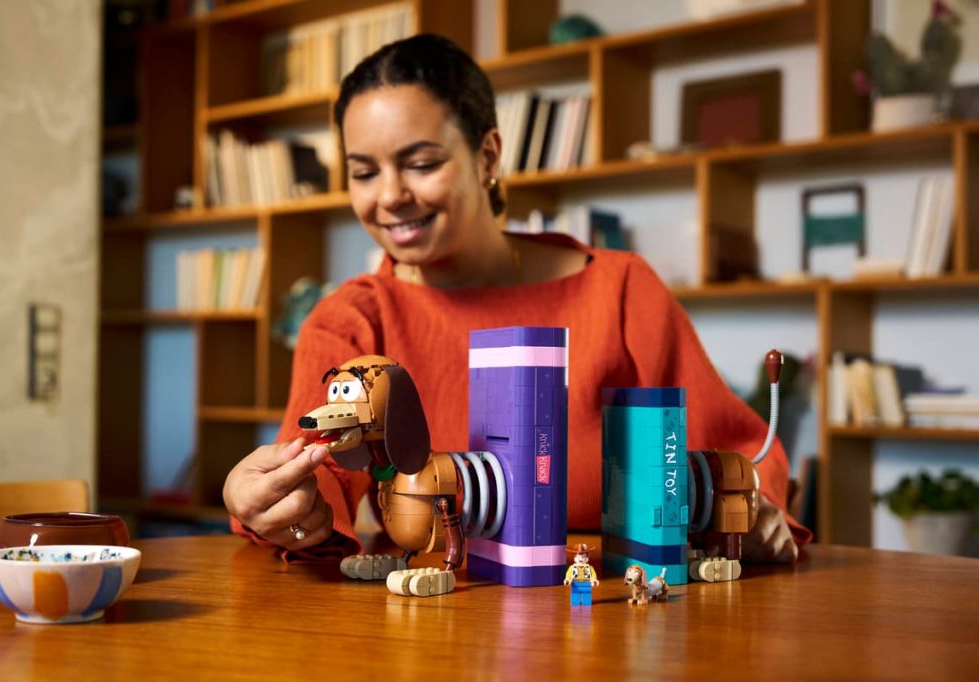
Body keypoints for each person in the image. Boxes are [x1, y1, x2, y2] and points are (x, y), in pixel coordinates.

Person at [223, 33, 810, 566]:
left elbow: (737, 451)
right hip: (435, 614)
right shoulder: (350, 319)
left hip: (611, 605)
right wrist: (279, 505)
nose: (391, 196)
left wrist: (755, 510)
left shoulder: (622, 290)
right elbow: (319, 477)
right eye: (363, 173)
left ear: (487, 156)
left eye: (421, 163)